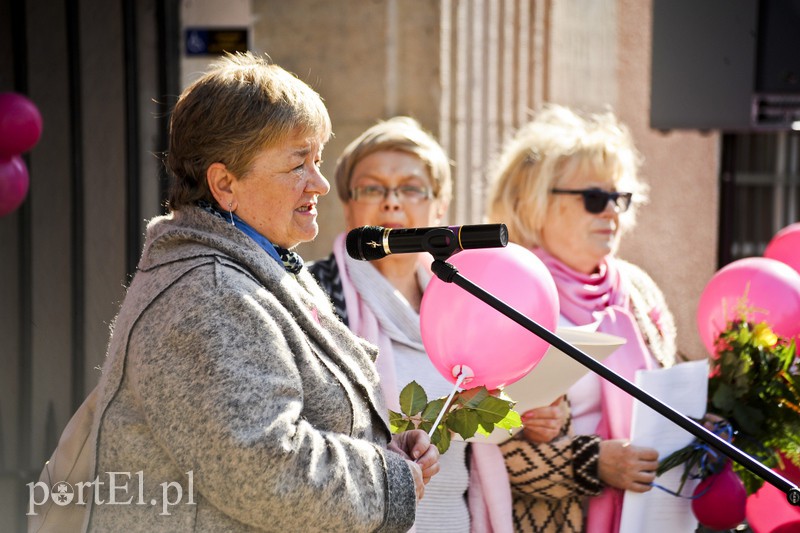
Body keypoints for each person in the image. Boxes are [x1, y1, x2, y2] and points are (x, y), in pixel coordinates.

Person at [84, 53, 439, 532]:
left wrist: (386, 452)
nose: (318, 184)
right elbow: (263, 469)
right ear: (225, 183)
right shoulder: (209, 294)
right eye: (298, 164)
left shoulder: (254, 266)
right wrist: (388, 477)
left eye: (317, 160)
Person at [309, 117, 550, 532]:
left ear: (440, 207)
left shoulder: (472, 301)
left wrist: (527, 420)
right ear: (348, 205)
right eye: (372, 188)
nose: (392, 202)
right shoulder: (312, 296)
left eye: (411, 188)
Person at [485, 104, 677, 533]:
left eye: (619, 198)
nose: (611, 212)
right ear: (533, 203)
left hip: (652, 515)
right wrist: (592, 463)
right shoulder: (505, 292)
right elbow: (477, 446)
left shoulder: (638, 287)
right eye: (594, 199)